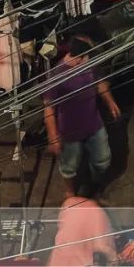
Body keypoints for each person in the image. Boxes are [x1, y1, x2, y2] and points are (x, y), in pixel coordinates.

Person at [43, 34, 122, 195]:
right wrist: (53, 136)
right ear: (78, 57)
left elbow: (100, 83)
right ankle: (69, 192)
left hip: (94, 124)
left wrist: (110, 102)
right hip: (70, 131)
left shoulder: (90, 66)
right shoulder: (57, 75)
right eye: (87, 56)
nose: (89, 59)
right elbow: (49, 108)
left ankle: (95, 184)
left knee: (103, 161)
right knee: (69, 167)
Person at [47, 193, 119, 267]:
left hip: (57, 261)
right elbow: (101, 245)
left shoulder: (69, 203)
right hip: (80, 262)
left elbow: (61, 226)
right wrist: (115, 259)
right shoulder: (96, 211)